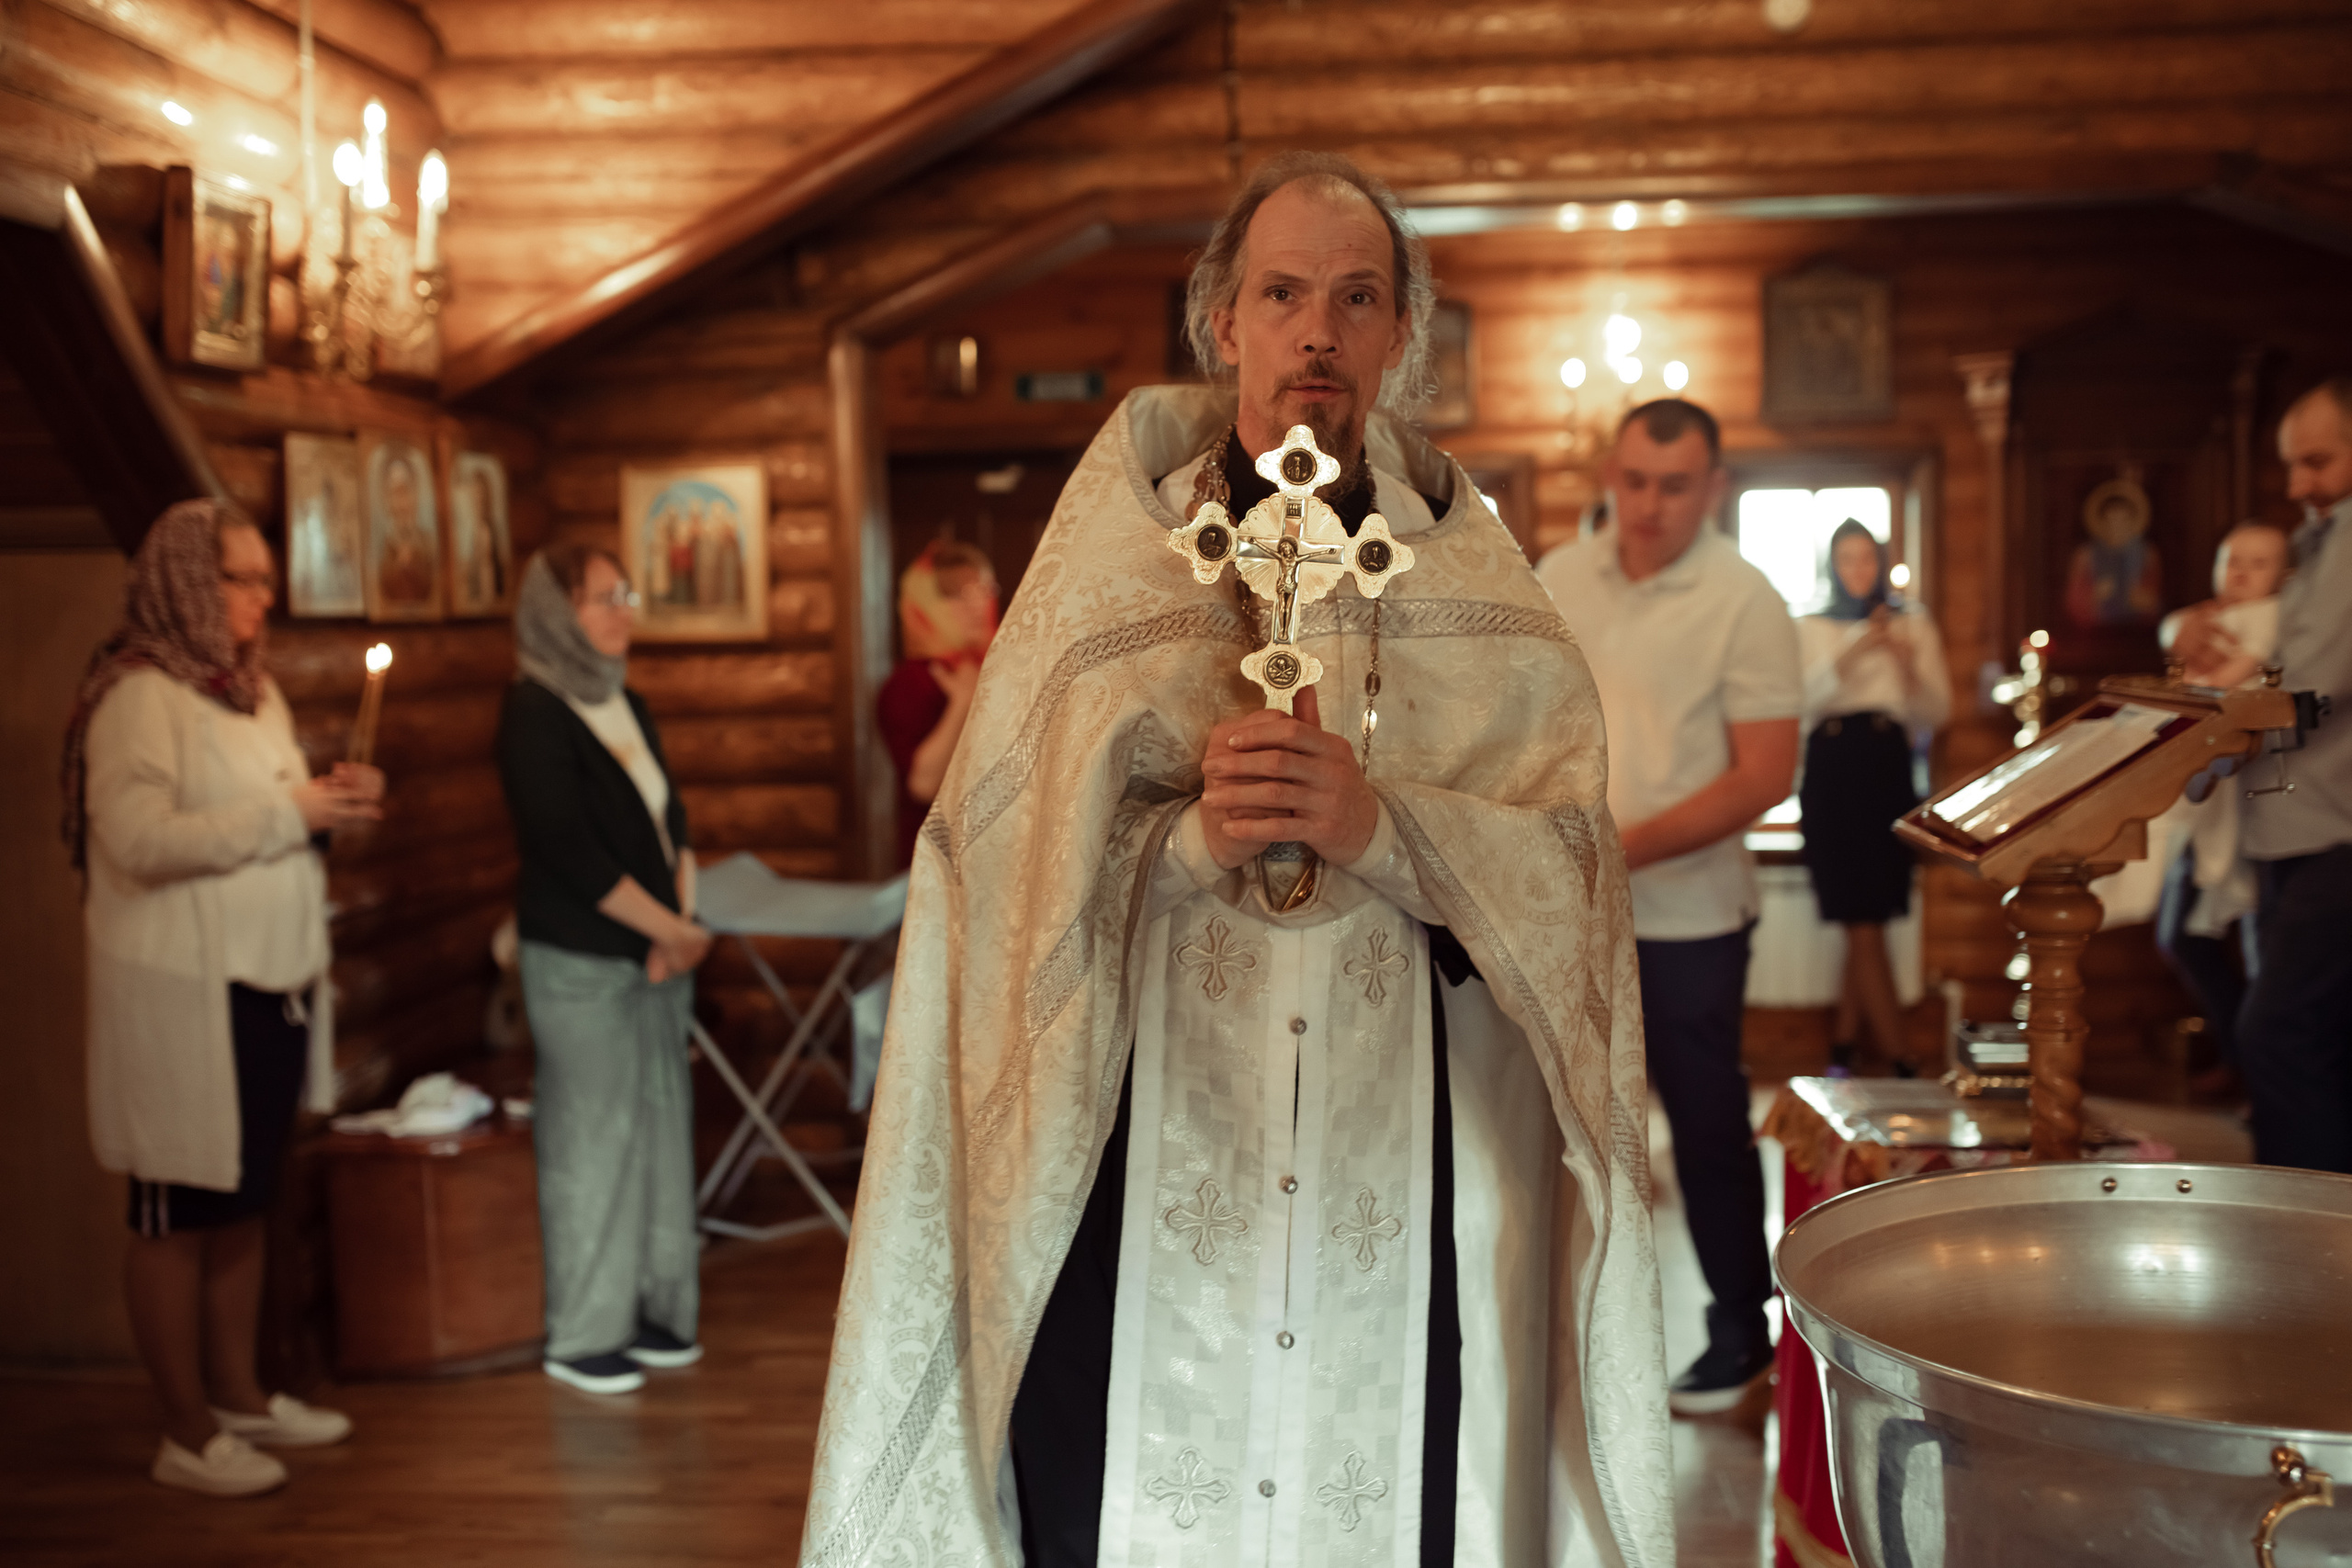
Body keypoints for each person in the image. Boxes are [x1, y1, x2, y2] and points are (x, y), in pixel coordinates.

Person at [801, 152, 1672, 1567]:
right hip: (1147, 1137)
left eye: (1356, 296)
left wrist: (1386, 829)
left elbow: (1568, 883)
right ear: (1224, 322)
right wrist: (1185, 842)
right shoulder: (1112, 572)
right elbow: (999, 873)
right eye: (1282, 293)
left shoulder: (1475, 588)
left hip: (1389, 1159)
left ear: (1401, 335)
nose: (1316, 330)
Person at [63, 498, 381, 1497]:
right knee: (176, 1209)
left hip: (269, 982)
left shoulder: (252, 693)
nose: (260, 598)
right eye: (239, 578)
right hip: (184, 994)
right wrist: (290, 812)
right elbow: (141, 841)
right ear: (188, 585)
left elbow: (276, 821)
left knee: (245, 1199)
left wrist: (332, 810)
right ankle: (186, 1429)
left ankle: (241, 1394)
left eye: (262, 580)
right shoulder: (135, 696)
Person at [1536, 398, 1802, 1416]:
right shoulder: (1561, 575)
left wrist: (1623, 846)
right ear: (1610, 476)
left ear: (1715, 487)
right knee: (1563, 1122)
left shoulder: (1746, 599)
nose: (1647, 507)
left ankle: (1738, 1335)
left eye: (1674, 486)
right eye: (1633, 482)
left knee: (1702, 1129)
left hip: (1689, 914)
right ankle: (1566, 1328)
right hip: (1565, 906)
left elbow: (1763, 775)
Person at [495, 546, 712, 1395]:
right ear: (556, 613)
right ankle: (583, 1334)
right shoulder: (533, 712)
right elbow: (566, 849)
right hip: (582, 963)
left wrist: (680, 924)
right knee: (593, 1143)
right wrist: (668, 928)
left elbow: (674, 821)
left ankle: (656, 1312)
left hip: (656, 958)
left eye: (628, 593)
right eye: (602, 598)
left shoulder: (625, 700)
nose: (624, 610)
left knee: (661, 1135)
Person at [2171, 379, 2352, 1171]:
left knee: (2273, 1030)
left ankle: (2309, 1238)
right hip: (2284, 824)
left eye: (2317, 461)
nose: (2297, 485)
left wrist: (2212, 716)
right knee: (2312, 1036)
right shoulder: (2321, 535)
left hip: (2337, 826)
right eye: (2291, 465)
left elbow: (2311, 677)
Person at [1794, 519, 1950, 1075]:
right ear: (1832, 565)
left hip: (1886, 770)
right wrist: (1858, 646)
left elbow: (1937, 713)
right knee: (1860, 920)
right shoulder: (1810, 624)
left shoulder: (1914, 623)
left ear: (1882, 563)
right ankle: (1902, 1057)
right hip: (1834, 771)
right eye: (1847, 559)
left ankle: (1843, 1048)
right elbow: (1801, 700)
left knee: (1873, 916)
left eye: (1868, 559)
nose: (1859, 570)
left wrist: (1904, 659)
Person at [2143, 523, 2289, 1093]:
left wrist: (2195, 680)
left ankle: (2257, 1076)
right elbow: (2180, 638)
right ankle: (2242, 1060)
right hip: (2208, 795)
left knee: (2261, 944)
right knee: (2181, 932)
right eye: (2234, 562)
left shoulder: (2276, 617)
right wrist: (2175, 631)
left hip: (2258, 796)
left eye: (2259, 562)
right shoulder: (2209, 616)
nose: (2244, 574)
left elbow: (2224, 682)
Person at [875, 541, 999, 868]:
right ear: (925, 605)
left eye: (983, 589)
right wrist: (962, 703)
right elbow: (924, 785)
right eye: (957, 594)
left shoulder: (1002, 667)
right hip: (941, 863)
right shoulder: (910, 683)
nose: (977, 604)